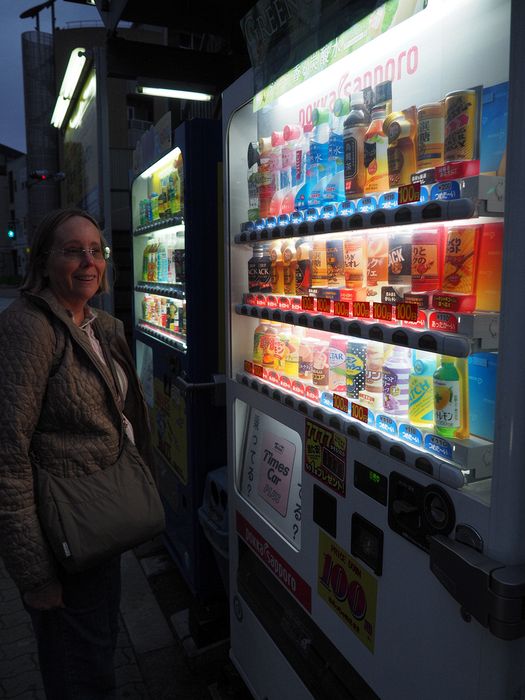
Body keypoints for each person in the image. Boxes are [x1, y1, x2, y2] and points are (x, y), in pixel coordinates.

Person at [0, 208, 157, 699]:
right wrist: (35, 576)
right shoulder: (28, 328)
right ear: (44, 261)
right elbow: (7, 459)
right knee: (81, 676)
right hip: (61, 539)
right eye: (73, 251)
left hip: (96, 527)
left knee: (97, 655)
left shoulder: (99, 324)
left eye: (96, 250)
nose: (88, 261)